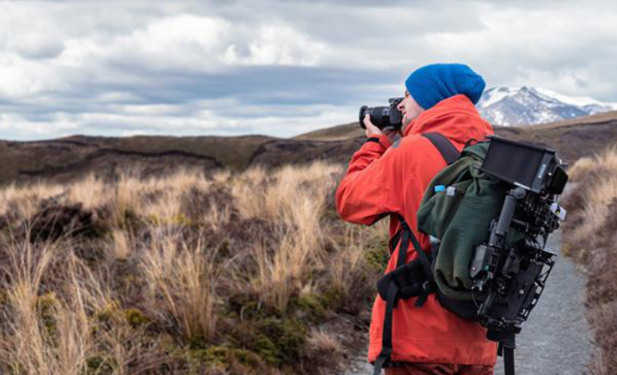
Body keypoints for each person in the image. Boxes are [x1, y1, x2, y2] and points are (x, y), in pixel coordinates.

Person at [336, 63, 497, 375]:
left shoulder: (411, 151)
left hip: (418, 334)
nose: (400, 105)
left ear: (429, 98)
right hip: (477, 339)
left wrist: (375, 144)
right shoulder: (493, 152)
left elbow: (349, 202)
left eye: (408, 95)